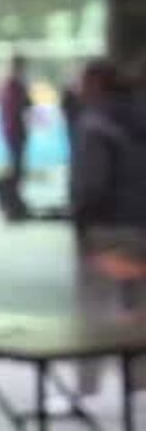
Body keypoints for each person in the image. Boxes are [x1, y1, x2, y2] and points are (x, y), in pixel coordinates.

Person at [69, 60, 146, 396]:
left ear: (96, 84)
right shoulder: (139, 117)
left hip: (107, 229)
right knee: (141, 308)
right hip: (141, 226)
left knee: (94, 308)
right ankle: (141, 382)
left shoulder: (95, 123)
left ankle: (88, 386)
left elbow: (92, 184)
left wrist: (82, 225)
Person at [0, 54, 32, 219]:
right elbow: (20, 106)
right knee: (15, 169)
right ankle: (10, 202)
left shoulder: (9, 85)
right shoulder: (13, 85)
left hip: (13, 130)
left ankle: (11, 202)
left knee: (16, 168)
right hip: (14, 131)